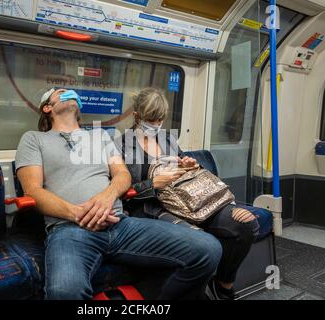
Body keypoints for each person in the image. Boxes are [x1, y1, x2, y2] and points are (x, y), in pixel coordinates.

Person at [15, 87, 222, 300]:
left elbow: (123, 175)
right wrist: (79, 214)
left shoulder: (100, 136)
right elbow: (33, 191)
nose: (69, 93)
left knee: (209, 249)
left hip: (120, 223)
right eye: (60, 92)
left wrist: (107, 196)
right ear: (48, 107)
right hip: (70, 229)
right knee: (65, 292)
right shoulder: (34, 139)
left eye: (71, 92)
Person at [116, 87, 260, 300]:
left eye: (160, 120)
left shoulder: (167, 139)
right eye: (151, 120)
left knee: (245, 225)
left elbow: (186, 168)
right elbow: (122, 194)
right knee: (198, 242)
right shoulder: (121, 146)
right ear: (137, 116)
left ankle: (222, 286)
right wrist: (153, 183)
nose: (156, 125)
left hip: (186, 200)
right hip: (151, 207)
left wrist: (189, 163)